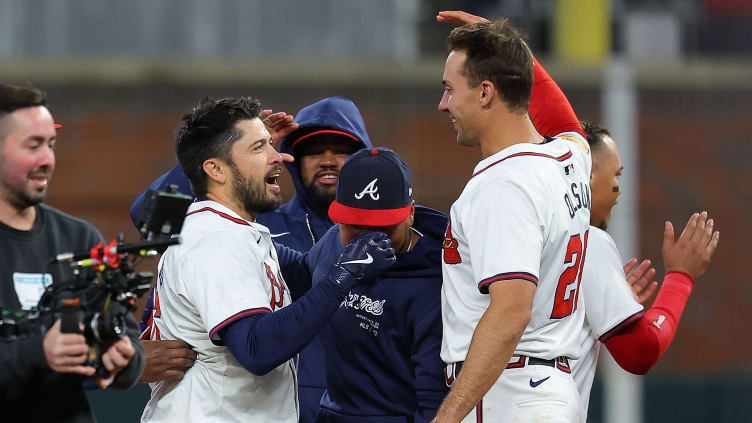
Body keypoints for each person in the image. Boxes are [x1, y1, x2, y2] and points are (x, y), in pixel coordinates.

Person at [140, 96, 394, 422]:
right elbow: (257, 349)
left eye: (272, 144)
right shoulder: (215, 241)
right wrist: (343, 276)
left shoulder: (237, 230)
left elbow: (303, 272)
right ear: (215, 169)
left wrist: (352, 211)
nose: (281, 157)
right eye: (260, 147)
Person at [433, 17, 592, 422]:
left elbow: (510, 312)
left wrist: (447, 417)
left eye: (451, 89)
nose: (444, 103)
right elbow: (568, 125)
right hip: (549, 388)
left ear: (485, 92)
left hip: (509, 392)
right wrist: (511, 51)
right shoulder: (570, 159)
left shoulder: (502, 185)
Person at [0, 83, 145, 422]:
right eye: (33, 145)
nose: (47, 160)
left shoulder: (79, 237)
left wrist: (123, 357)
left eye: (51, 144)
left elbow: (127, 335)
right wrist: (38, 351)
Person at [276, 147, 449, 422]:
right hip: (330, 414)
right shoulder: (335, 240)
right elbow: (300, 276)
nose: (368, 241)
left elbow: (433, 402)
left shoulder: (436, 283)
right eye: (356, 226)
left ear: (410, 214)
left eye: (383, 227)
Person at [571, 122, 719, 420]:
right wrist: (680, 278)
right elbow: (641, 350)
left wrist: (609, 304)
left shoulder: (530, 231)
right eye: (616, 174)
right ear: (587, 174)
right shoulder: (586, 239)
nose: (618, 187)